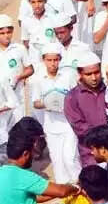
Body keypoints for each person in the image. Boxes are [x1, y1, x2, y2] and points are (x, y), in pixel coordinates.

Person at [31, 44, 80, 182]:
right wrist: (47, 104)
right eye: (49, 60)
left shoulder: (68, 76)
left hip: (68, 124)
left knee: (70, 158)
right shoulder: (38, 79)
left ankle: (80, 185)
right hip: (51, 126)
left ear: (60, 60)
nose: (53, 63)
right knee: (57, 161)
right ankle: (64, 188)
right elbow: (35, 102)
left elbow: (77, 97)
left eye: (55, 60)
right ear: (43, 60)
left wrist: (66, 104)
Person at [64, 53, 108, 167]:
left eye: (96, 72)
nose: (94, 78)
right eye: (88, 74)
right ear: (80, 74)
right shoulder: (72, 97)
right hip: (91, 154)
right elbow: (80, 128)